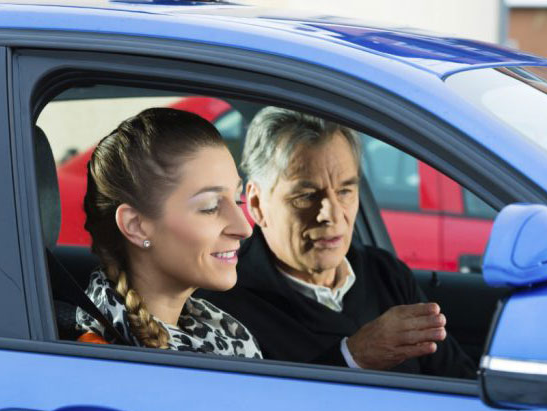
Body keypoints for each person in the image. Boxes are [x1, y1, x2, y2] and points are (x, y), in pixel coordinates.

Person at [197, 107, 475, 377]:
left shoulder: (385, 273)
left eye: (344, 191)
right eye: (305, 196)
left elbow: (461, 381)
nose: (330, 215)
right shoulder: (222, 302)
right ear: (257, 203)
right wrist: (352, 357)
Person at [75, 107, 261, 358]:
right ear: (136, 226)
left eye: (237, 200)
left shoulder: (222, 334)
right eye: (210, 207)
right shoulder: (103, 358)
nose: (244, 228)